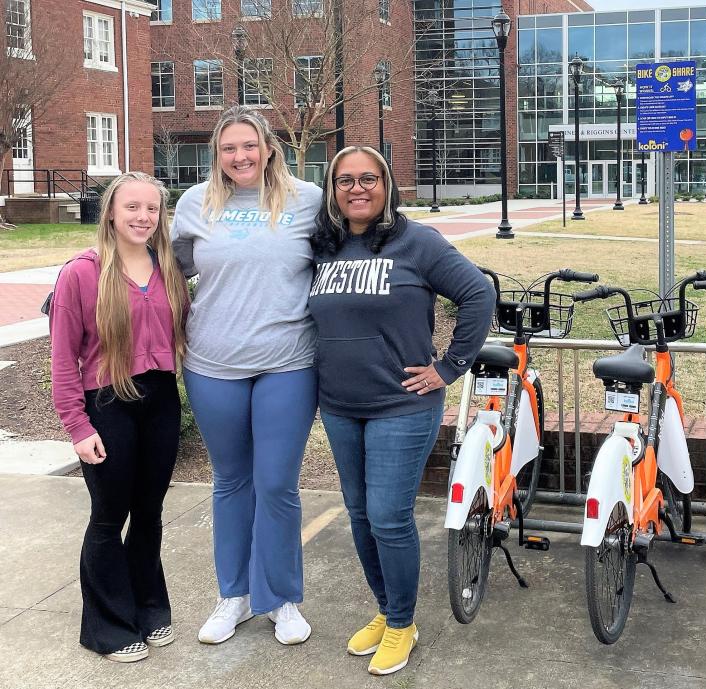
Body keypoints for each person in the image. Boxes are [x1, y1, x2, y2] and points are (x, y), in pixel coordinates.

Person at [308, 146, 495, 675]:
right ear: (332, 189)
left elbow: (477, 294)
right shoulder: (323, 245)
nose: (357, 189)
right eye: (345, 180)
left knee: (390, 517)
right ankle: (387, 609)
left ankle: (402, 624)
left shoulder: (418, 243)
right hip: (341, 407)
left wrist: (449, 367)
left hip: (402, 405)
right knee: (361, 514)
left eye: (369, 178)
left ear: (387, 185)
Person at [171, 106, 323, 646]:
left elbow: (344, 252)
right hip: (213, 364)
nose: (240, 157)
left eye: (249, 146)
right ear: (218, 155)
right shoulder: (194, 205)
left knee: (277, 484)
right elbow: (167, 271)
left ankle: (280, 599)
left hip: (287, 360)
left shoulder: (306, 199)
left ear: (268, 148)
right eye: (229, 148)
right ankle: (232, 596)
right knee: (230, 482)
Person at [50, 172, 190, 663]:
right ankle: (107, 626)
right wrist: (77, 426)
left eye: (152, 209)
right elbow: (63, 358)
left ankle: (149, 607)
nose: (143, 217)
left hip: (160, 400)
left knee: (149, 514)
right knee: (109, 518)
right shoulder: (82, 272)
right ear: (111, 211)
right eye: (132, 207)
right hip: (105, 403)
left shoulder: (166, 267)